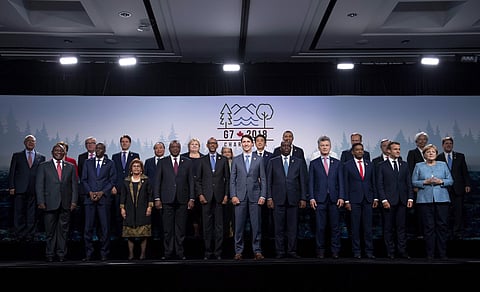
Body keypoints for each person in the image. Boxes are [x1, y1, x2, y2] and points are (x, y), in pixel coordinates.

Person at [35, 143, 78, 262]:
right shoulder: (44, 166)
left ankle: (61, 254)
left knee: (63, 232)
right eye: (56, 150)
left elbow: (74, 185)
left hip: (66, 204)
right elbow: (39, 185)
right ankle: (49, 254)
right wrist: (40, 201)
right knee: (50, 232)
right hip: (48, 203)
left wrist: (74, 202)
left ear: (64, 153)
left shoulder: (70, 166)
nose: (58, 152)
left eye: (61, 150)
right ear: (52, 152)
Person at [154, 140, 195, 260]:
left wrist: (192, 198)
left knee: (181, 228)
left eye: (177, 147)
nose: (175, 149)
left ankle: (180, 252)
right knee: (167, 229)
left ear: (180, 148)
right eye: (173, 147)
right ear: (169, 148)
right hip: (166, 199)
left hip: (182, 200)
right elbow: (157, 182)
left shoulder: (187, 162)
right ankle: (168, 252)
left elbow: (191, 182)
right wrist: (157, 198)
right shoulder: (162, 162)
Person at [411, 144, 453, 260]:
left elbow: (450, 180)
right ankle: (430, 254)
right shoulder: (418, 166)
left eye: (433, 151)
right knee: (428, 227)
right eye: (428, 152)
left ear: (436, 153)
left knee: (442, 226)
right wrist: (425, 182)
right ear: (424, 154)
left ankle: (442, 253)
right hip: (425, 200)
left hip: (442, 199)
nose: (430, 153)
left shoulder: (443, 165)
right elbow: (414, 182)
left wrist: (441, 181)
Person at [267, 141, 307, 259]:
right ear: (280, 148)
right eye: (283, 146)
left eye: (288, 146)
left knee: (292, 227)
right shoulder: (272, 162)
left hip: (293, 200)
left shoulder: (298, 162)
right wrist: (269, 197)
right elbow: (269, 181)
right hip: (277, 199)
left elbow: (302, 182)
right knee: (278, 228)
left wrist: (303, 198)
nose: (285, 148)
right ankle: (279, 251)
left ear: (291, 148)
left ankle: (292, 251)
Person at [230, 134, 267, 260]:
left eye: (248, 142)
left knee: (256, 226)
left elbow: (263, 179)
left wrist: (263, 195)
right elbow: (232, 180)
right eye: (243, 142)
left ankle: (257, 251)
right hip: (239, 198)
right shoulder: (236, 159)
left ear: (252, 144)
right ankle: (238, 252)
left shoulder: (259, 159)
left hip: (255, 197)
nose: (246, 144)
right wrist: (233, 195)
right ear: (241, 144)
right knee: (239, 227)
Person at [308, 135, 344, 259]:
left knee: (335, 227)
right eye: (322, 145)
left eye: (327, 145)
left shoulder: (337, 163)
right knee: (320, 227)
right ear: (318, 147)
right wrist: (311, 197)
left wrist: (341, 197)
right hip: (319, 199)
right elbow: (311, 182)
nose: (324, 147)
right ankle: (320, 251)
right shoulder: (314, 163)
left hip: (335, 199)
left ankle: (335, 251)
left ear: (330, 147)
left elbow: (341, 182)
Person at [376, 141, 413, 259]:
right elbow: (379, 185)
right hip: (388, 202)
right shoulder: (381, 166)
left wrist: (410, 197)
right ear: (388, 151)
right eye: (395, 149)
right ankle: (390, 252)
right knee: (388, 228)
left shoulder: (405, 165)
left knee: (401, 227)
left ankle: (402, 251)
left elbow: (408, 183)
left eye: (399, 149)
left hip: (402, 201)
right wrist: (383, 200)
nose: (398, 151)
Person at [195, 137, 230, 260]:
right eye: (210, 143)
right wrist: (200, 194)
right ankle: (208, 252)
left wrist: (226, 195)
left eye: (214, 143)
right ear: (207, 145)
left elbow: (228, 180)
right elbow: (198, 180)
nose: (212, 145)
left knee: (219, 226)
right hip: (206, 198)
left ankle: (218, 252)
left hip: (220, 198)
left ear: (217, 145)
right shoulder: (202, 160)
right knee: (207, 226)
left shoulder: (223, 160)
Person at [81, 142, 116, 261]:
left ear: (105, 150)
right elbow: (84, 180)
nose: (98, 150)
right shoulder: (87, 162)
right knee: (88, 228)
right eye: (97, 148)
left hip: (104, 199)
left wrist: (102, 192)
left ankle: (104, 253)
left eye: (101, 148)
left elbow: (112, 180)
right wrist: (90, 192)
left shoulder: (110, 163)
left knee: (105, 228)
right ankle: (88, 253)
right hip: (89, 199)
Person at [8, 134, 46, 242]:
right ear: (25, 143)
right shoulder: (17, 155)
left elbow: (42, 175)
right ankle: (19, 233)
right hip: (19, 188)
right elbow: (12, 172)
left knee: (32, 212)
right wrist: (11, 186)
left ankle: (30, 233)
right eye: (28, 141)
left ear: (35, 143)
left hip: (34, 189)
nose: (31, 143)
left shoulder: (41, 157)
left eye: (33, 141)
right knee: (18, 211)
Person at [343, 142, 378, 259]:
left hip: (368, 199)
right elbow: (345, 184)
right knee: (355, 227)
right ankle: (356, 251)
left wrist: (376, 197)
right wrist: (346, 201)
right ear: (353, 152)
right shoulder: (347, 165)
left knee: (368, 227)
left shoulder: (370, 164)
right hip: (354, 200)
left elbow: (374, 182)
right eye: (357, 150)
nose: (359, 151)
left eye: (361, 150)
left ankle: (369, 251)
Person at [436, 136, 471, 240]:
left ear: (452, 145)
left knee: (458, 212)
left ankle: (457, 232)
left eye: (450, 143)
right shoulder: (439, 157)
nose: (448, 145)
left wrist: (467, 184)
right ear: (443, 145)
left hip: (458, 188)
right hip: (443, 189)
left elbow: (464, 172)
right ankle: (445, 232)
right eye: (446, 143)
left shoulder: (460, 156)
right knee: (444, 213)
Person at [120, 158, 154, 260]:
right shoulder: (126, 181)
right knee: (130, 235)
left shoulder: (146, 180)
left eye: (138, 166)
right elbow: (123, 196)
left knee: (144, 234)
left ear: (141, 169)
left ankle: (142, 254)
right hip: (129, 210)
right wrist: (122, 208)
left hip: (143, 209)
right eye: (134, 166)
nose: (136, 168)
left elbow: (150, 195)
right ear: (131, 168)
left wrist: (149, 207)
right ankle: (131, 254)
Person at [111, 134, 140, 239]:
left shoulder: (135, 155)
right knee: (118, 215)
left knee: (130, 214)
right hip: (118, 190)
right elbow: (112, 173)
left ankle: (131, 237)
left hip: (131, 189)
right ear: (120, 143)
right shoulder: (115, 156)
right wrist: (113, 186)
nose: (124, 143)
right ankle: (120, 237)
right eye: (122, 141)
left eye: (126, 141)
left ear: (130, 143)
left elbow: (137, 173)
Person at [75, 136, 98, 241]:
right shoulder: (81, 157)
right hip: (86, 191)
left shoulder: (103, 156)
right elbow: (81, 174)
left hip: (99, 192)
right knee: (85, 217)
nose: (90, 145)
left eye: (92, 143)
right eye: (88, 143)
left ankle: (97, 235)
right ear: (85, 145)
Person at [407, 131, 429, 239]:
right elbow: (410, 170)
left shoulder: (431, 152)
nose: (422, 141)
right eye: (420, 139)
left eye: (424, 139)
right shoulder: (412, 153)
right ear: (416, 142)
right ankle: (419, 232)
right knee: (419, 210)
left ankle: (428, 232)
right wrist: (414, 185)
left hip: (430, 187)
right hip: (418, 187)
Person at [181, 138, 205, 239]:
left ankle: (199, 232)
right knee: (187, 211)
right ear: (189, 146)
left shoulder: (204, 158)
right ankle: (188, 232)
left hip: (201, 188)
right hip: (186, 187)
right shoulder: (183, 158)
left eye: (196, 144)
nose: (194, 146)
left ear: (199, 147)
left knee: (199, 211)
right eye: (192, 144)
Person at [144, 141, 166, 241]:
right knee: (151, 220)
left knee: (163, 220)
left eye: (161, 148)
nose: (159, 150)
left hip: (165, 195)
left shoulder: (168, 161)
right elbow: (145, 178)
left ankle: (163, 239)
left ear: (164, 150)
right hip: (150, 195)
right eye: (156, 148)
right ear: (154, 150)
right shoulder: (148, 162)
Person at [254, 134, 274, 240]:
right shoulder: (251, 155)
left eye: (262, 140)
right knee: (255, 218)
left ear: (265, 143)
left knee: (267, 217)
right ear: (255, 143)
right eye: (257, 141)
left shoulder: (271, 156)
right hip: (254, 190)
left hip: (268, 190)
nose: (260, 142)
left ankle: (267, 240)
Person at [221, 146, 235, 239]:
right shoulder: (220, 163)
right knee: (224, 216)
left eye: (228, 152)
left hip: (234, 193)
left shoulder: (235, 163)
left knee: (234, 216)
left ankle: (233, 232)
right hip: (223, 193)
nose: (226, 154)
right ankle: (225, 233)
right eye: (224, 152)